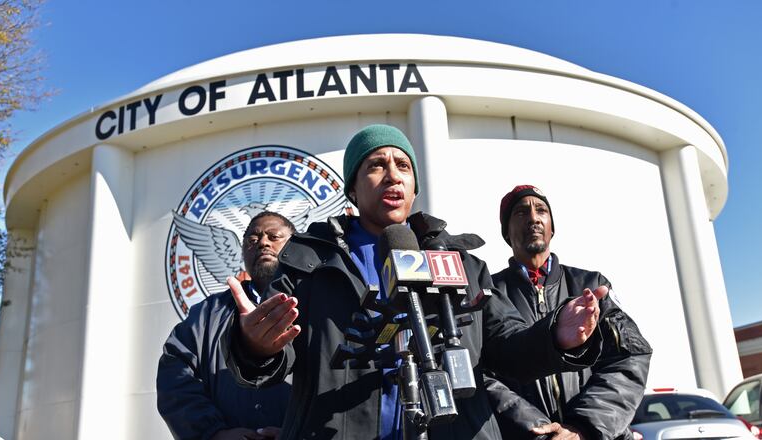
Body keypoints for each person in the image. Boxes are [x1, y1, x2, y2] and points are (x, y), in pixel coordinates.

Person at [223, 124, 609, 440]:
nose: (393, 175)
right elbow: (274, 358)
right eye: (376, 165)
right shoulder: (307, 262)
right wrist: (254, 347)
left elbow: (505, 348)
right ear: (353, 189)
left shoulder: (463, 263)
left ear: (414, 187)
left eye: (403, 166)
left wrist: (555, 337)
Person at [487, 185, 652, 440]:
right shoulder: (489, 293)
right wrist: (543, 432)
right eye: (521, 212)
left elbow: (630, 355)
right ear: (506, 232)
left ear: (552, 227)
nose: (533, 218)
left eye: (541, 210)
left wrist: (583, 426)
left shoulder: (592, 284)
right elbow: (483, 375)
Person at [157, 211, 296, 440]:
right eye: (253, 239)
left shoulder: (320, 305)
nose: (263, 243)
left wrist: (303, 433)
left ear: (295, 246)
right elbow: (176, 376)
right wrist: (213, 433)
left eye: (274, 237)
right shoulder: (207, 314)